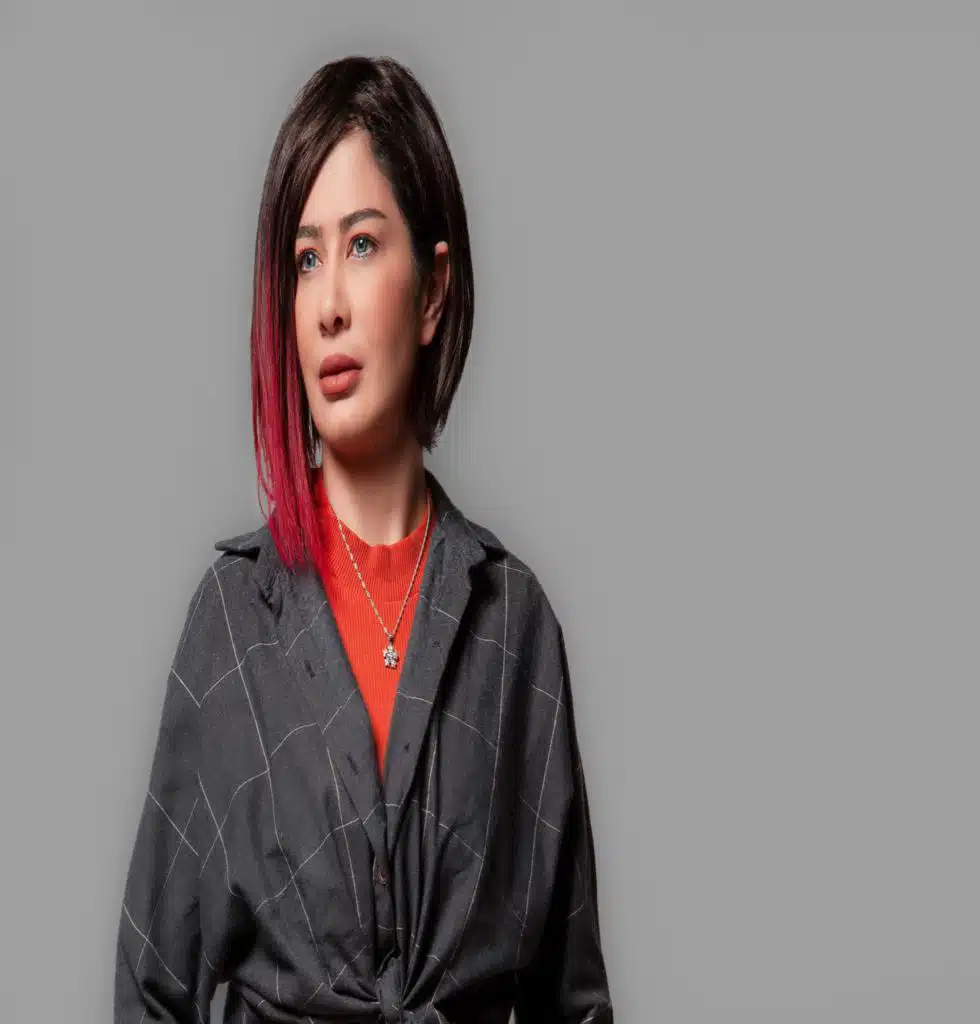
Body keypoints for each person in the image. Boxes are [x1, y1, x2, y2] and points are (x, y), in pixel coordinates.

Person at [114, 55, 613, 1024]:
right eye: (305, 260)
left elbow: (575, 1000)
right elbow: (150, 988)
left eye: (362, 245)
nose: (330, 302)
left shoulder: (515, 628)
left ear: (432, 292)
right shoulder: (231, 627)